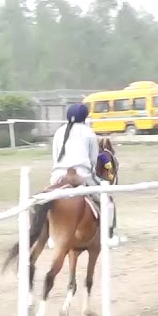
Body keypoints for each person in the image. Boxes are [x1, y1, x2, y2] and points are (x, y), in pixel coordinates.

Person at [49, 102, 119, 244]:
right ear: (85, 117)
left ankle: (51, 235)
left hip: (58, 175)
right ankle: (109, 235)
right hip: (82, 174)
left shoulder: (58, 132)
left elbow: (55, 157)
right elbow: (93, 160)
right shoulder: (88, 133)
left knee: (46, 199)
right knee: (107, 200)